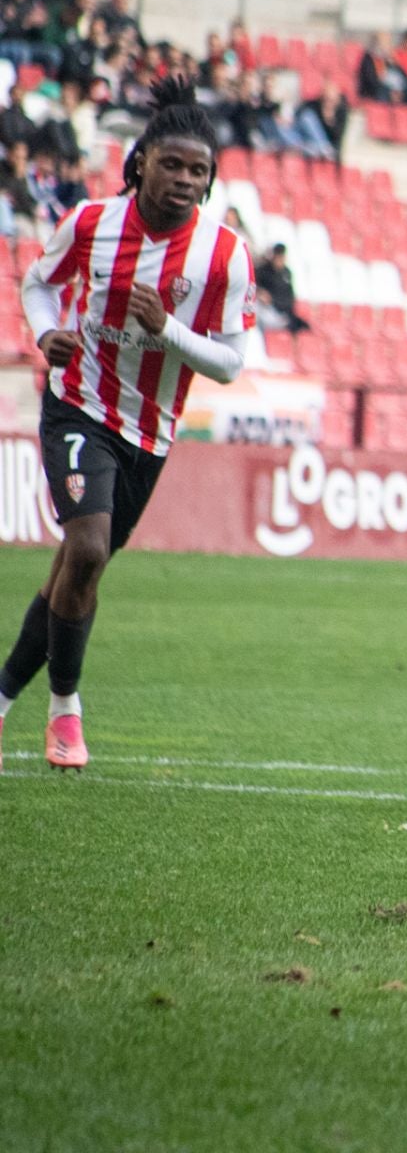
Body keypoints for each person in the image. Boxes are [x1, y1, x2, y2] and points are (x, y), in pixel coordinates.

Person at [0, 77, 251, 771]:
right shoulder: (89, 224)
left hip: (153, 433)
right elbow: (38, 283)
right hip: (78, 403)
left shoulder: (223, 254)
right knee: (85, 550)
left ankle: (0, 698)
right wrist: (47, 332)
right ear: (140, 160)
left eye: (198, 171)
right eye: (172, 164)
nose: (184, 180)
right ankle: (66, 711)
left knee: (74, 573)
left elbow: (231, 363)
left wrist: (165, 328)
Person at [254, 242, 309, 334]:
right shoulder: (263, 271)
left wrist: (272, 300)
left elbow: (290, 299)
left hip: (281, 312)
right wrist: (259, 293)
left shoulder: (287, 273)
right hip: (264, 310)